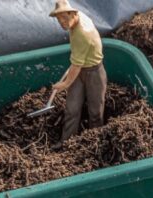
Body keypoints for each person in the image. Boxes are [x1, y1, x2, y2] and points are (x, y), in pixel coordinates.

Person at [49, 0, 107, 147]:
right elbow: (77, 63)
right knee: (72, 108)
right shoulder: (75, 19)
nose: (62, 22)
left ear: (73, 13)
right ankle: (67, 142)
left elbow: (76, 65)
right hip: (80, 69)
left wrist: (65, 83)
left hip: (94, 72)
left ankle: (96, 142)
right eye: (59, 19)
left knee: (95, 110)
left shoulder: (83, 33)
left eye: (64, 18)